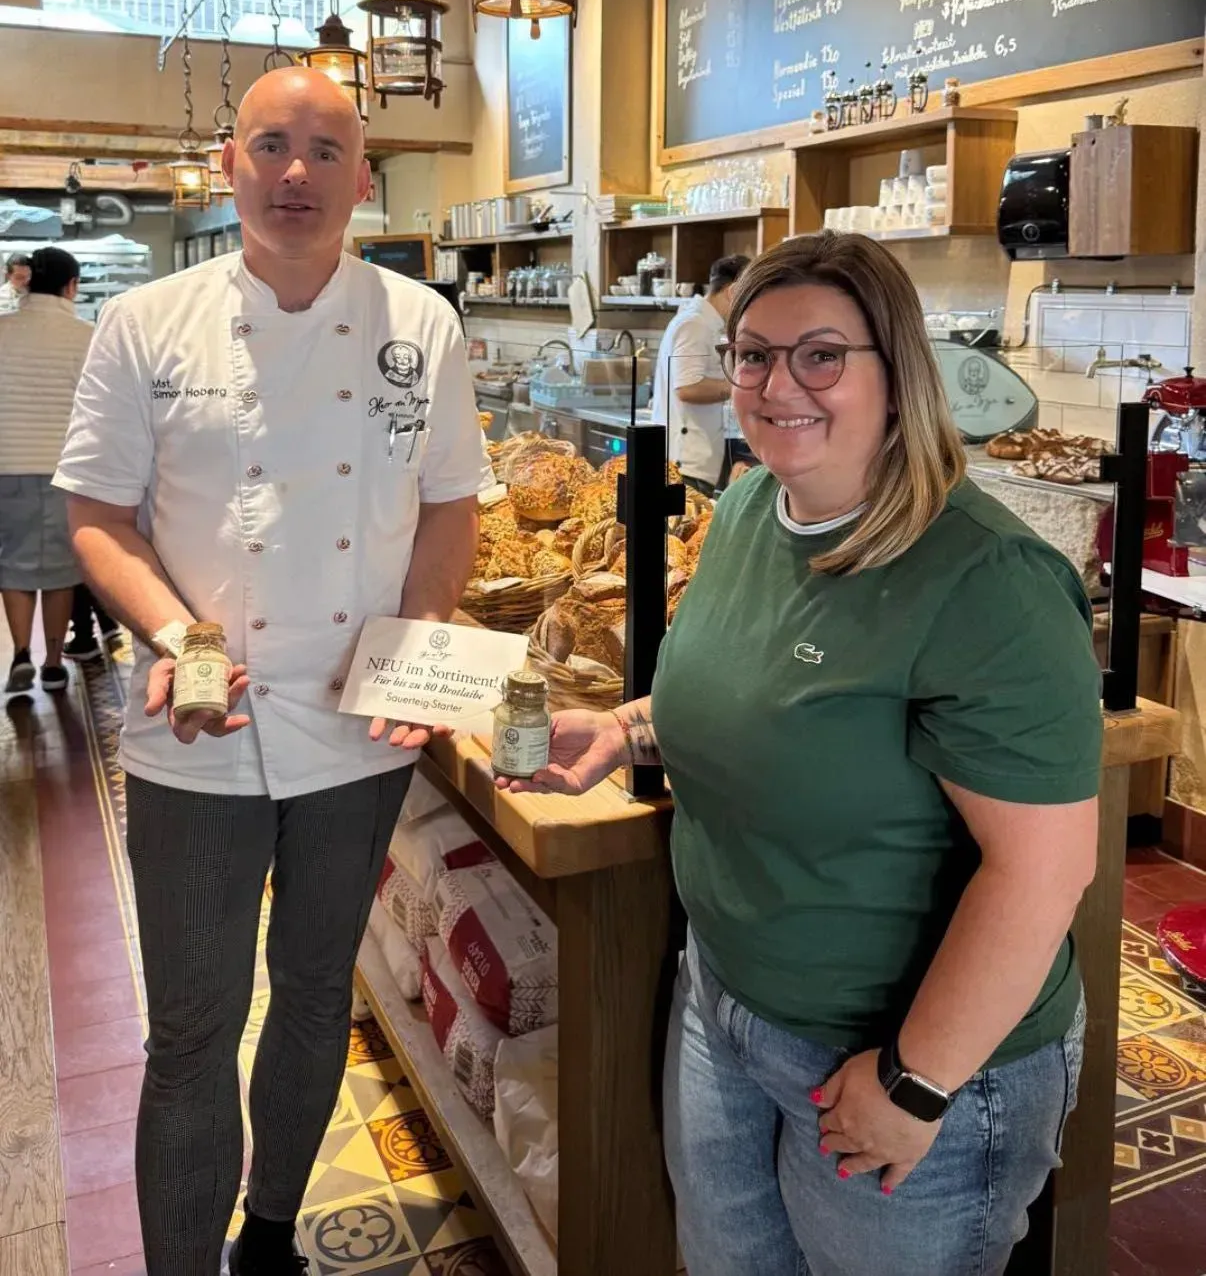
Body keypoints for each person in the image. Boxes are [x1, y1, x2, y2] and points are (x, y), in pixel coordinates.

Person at [497, 231, 1103, 1276]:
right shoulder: (743, 511)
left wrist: (916, 1082)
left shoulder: (985, 581)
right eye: (754, 355)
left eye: (821, 354)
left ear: (896, 370)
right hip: (725, 1007)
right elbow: (748, 691)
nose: (780, 385)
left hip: (902, 1059)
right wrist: (627, 728)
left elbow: (1045, 872)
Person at [54, 67, 483, 1276]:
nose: (299, 173)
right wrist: (177, 636)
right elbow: (95, 512)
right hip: (195, 726)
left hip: (357, 727)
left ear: (364, 171)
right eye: (273, 146)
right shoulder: (148, 322)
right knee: (192, 1029)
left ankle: (278, 1237)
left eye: (327, 150)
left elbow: (451, 511)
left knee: (312, 992)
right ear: (229, 161)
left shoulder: (423, 324)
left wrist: (421, 642)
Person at [0, 246, 92, 693]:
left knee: (12, 564)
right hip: (63, 468)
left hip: (6, 465)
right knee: (60, 570)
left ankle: (20, 653)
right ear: (71, 286)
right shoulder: (85, 337)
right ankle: (54, 662)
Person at [649, 253, 749, 494]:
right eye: (748, 295)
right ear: (733, 291)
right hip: (685, 466)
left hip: (692, 463)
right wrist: (742, 387)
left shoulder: (703, 322)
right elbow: (687, 388)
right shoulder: (696, 325)